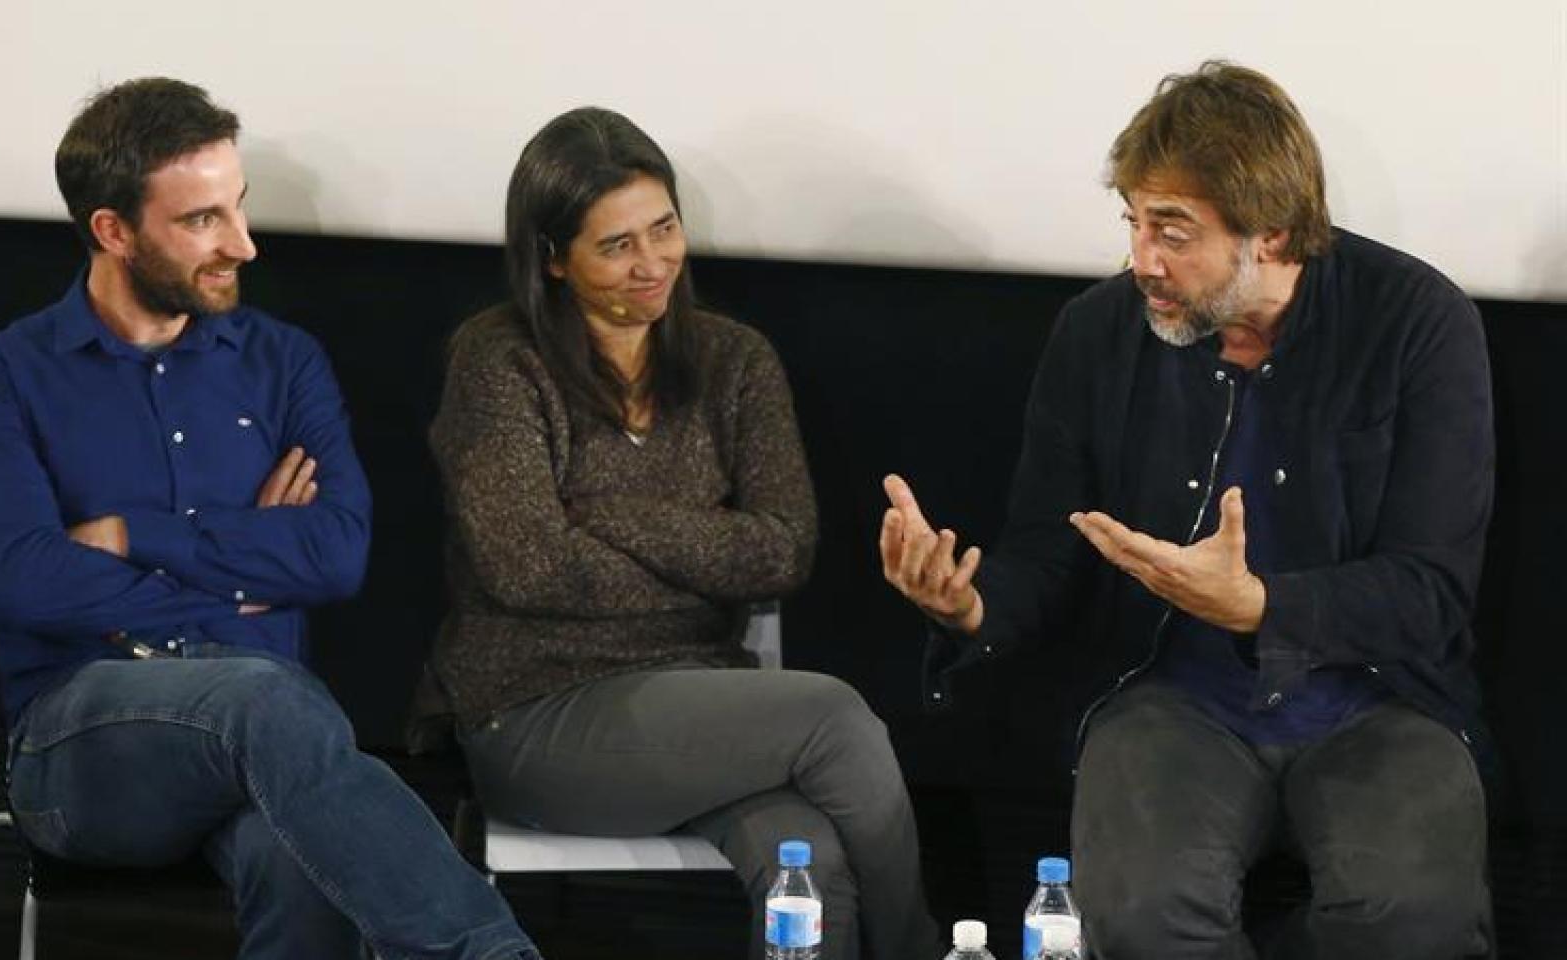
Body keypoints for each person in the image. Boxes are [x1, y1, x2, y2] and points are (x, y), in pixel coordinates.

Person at [880, 62, 1493, 959]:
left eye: (1173, 233)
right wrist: (968, 606)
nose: (1142, 262)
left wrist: (1261, 608)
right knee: (1140, 917)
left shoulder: (1418, 324)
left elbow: (1431, 591)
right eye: (1133, 223)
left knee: (1412, 922)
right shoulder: (1098, 333)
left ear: (1273, 235)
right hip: (1171, 693)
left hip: (1382, 697)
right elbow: (1051, 550)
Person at [0, 78, 539, 960]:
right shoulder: (4, 374)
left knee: (305, 852)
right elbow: (22, 581)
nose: (245, 245)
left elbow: (336, 554)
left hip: (272, 745)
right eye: (202, 221)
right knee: (270, 701)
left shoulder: (282, 362)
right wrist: (243, 565)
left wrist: (133, 538)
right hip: (83, 741)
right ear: (113, 231)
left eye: (240, 208)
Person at [414, 106, 941, 960]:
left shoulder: (736, 361)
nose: (652, 263)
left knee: (813, 864)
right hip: (536, 713)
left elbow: (781, 549)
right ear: (553, 259)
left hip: (705, 704)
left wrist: (612, 518)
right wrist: (705, 560)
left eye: (664, 229)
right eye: (616, 246)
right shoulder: (498, 360)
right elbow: (528, 570)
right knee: (834, 717)